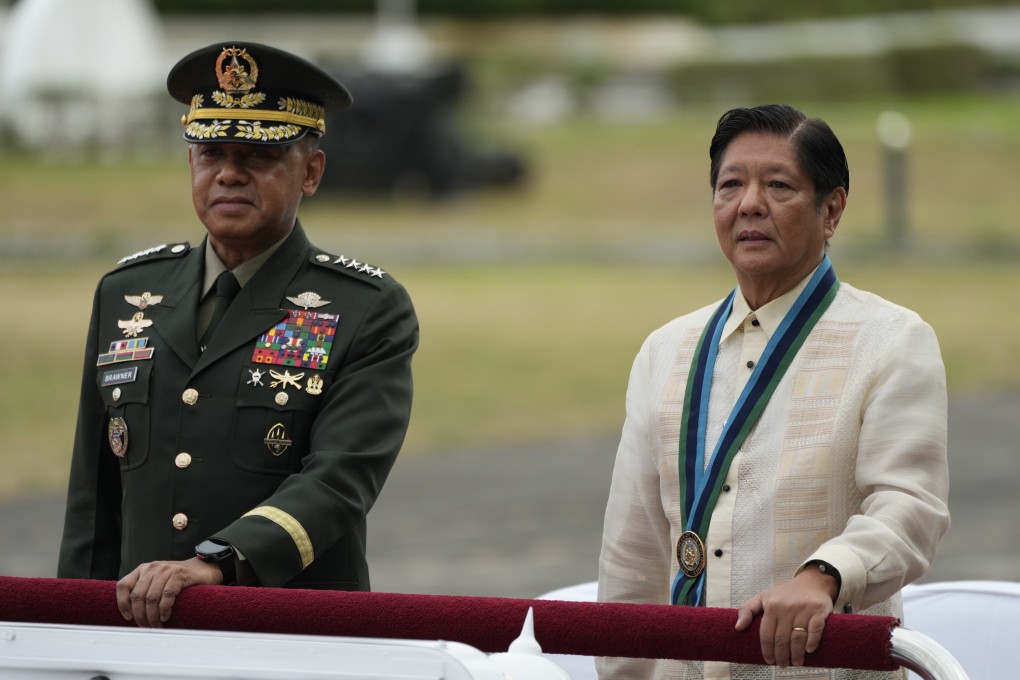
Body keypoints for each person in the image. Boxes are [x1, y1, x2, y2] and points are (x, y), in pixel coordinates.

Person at [57, 41, 419, 628]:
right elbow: (93, 501)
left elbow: (340, 480)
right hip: (142, 636)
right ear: (191, 165)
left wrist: (220, 562)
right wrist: (74, 629)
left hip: (293, 635)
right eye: (210, 153)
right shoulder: (128, 293)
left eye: (258, 153)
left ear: (311, 173)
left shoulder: (365, 308)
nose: (228, 173)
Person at [597, 104, 949, 679]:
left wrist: (825, 575)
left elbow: (911, 508)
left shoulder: (891, 341)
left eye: (778, 185)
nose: (750, 204)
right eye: (731, 185)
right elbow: (632, 555)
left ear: (831, 210)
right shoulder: (665, 351)